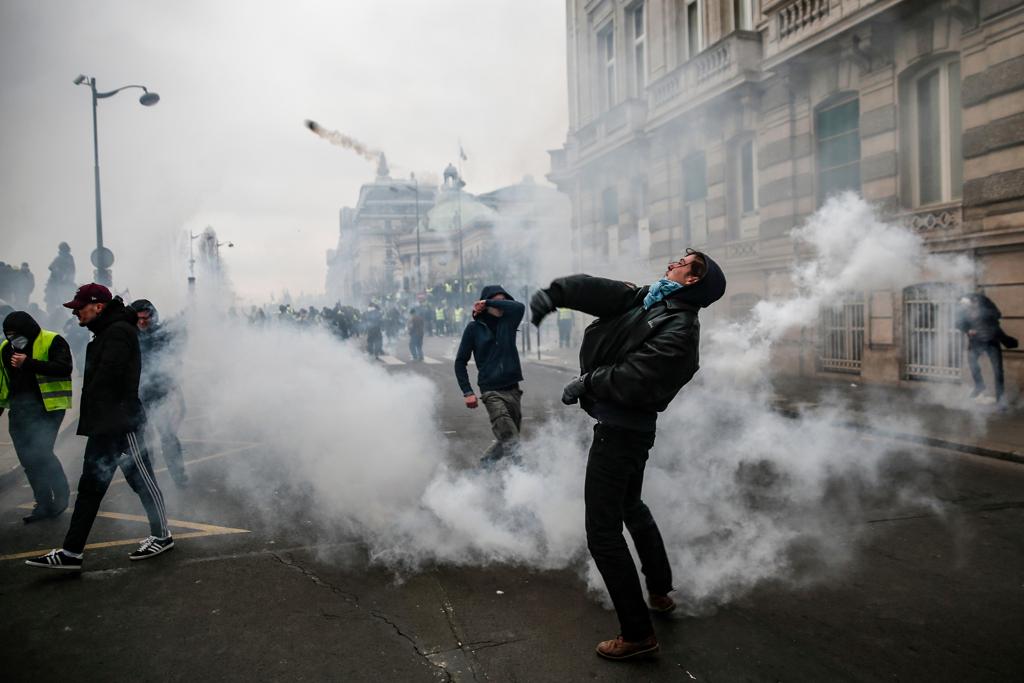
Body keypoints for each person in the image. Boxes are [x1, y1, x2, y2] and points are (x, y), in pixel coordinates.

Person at [530, 248, 726, 660]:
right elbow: (605, 293)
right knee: (630, 506)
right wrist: (558, 293)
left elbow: (638, 378)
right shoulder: (653, 299)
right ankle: (660, 589)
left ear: (693, 278)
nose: (672, 263)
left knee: (602, 532)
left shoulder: (680, 327)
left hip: (622, 432)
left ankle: (637, 634)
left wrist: (588, 382)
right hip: (624, 429)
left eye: (683, 262)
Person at [26, 284, 172, 571]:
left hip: (123, 425)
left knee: (143, 481)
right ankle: (72, 552)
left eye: (80, 307)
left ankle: (162, 535)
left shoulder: (118, 332)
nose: (76, 313)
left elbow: (109, 379)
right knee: (90, 488)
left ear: (98, 306)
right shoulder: (106, 332)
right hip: (104, 426)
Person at [0, 311, 72, 522]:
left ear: (29, 330)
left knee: (41, 453)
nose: (13, 339)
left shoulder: (52, 341)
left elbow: (64, 368)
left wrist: (28, 363)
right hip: (20, 410)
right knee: (27, 459)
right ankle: (43, 504)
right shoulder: (5, 349)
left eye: (17, 335)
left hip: (49, 408)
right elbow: (4, 381)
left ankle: (61, 496)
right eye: (9, 335)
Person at [454, 285, 526, 466]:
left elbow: (519, 307)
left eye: (504, 301)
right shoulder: (474, 328)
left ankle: (483, 467)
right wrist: (467, 391)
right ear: (486, 307)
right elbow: (460, 362)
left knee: (507, 437)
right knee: (511, 439)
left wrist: (489, 302)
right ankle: (521, 477)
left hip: (513, 390)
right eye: (497, 302)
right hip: (491, 391)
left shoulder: (508, 322)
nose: (501, 305)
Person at [131, 298, 188, 487]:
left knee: (168, 435)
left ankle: (179, 475)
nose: (142, 322)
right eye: (138, 319)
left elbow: (174, 360)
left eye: (145, 318)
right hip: (138, 395)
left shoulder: (162, 335)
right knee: (142, 440)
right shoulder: (130, 336)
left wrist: (173, 386)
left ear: (152, 317)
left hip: (160, 393)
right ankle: (148, 478)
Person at [957, 292, 1017, 408]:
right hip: (976, 342)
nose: (963, 305)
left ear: (974, 301)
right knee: (972, 363)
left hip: (991, 341)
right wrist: (968, 330)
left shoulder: (986, 305)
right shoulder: (964, 311)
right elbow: (958, 323)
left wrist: (986, 315)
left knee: (998, 371)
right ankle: (980, 386)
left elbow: (998, 314)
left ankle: (1000, 399)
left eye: (965, 302)